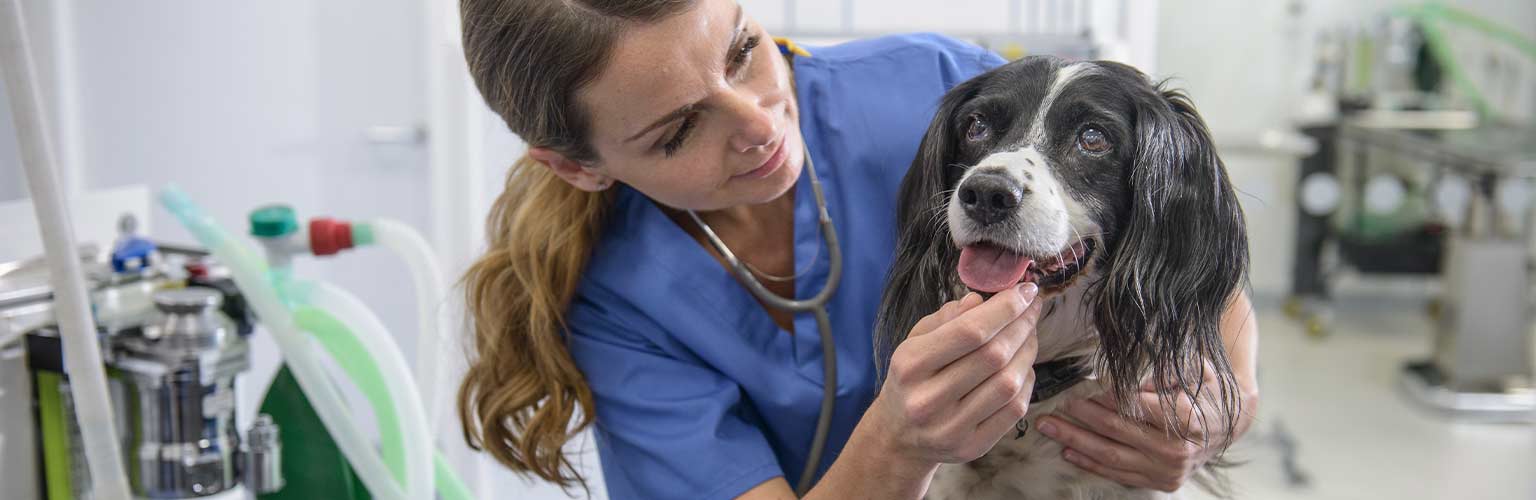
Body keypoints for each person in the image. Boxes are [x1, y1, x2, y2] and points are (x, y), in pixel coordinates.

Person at [454, 0, 1261, 499]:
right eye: (681, 128)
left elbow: (1178, 239)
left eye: (742, 50)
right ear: (578, 166)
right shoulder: (614, 301)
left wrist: (1218, 412)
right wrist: (897, 446)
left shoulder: (928, 87)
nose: (763, 124)